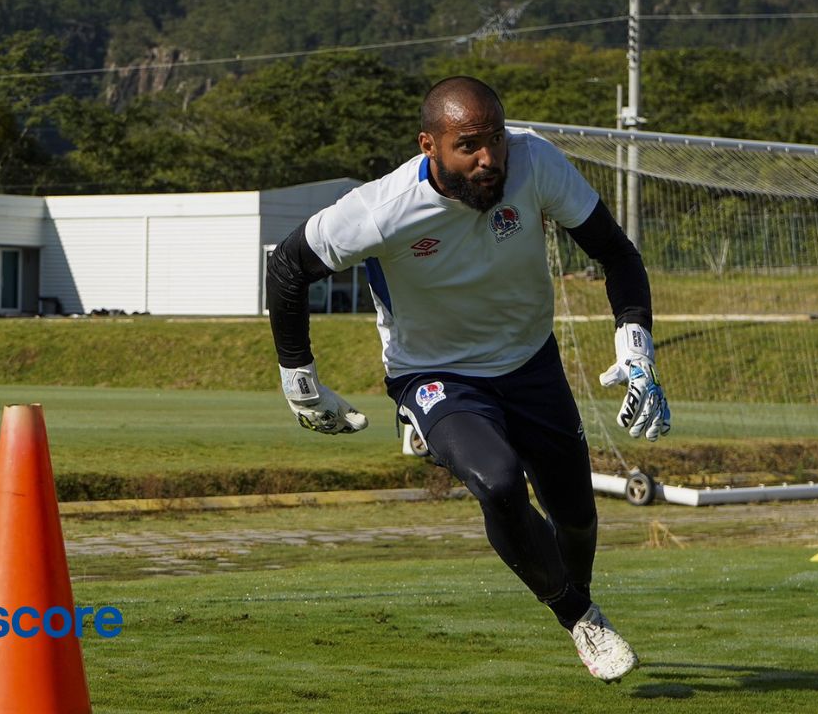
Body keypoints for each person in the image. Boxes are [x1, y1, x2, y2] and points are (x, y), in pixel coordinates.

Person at [265, 75, 669, 683]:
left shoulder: (535, 162)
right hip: (435, 373)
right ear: (429, 144)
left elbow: (616, 253)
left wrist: (636, 346)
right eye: (469, 146)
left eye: (497, 140)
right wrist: (299, 378)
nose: (490, 160)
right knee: (499, 481)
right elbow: (288, 268)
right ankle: (578, 615)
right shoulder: (380, 209)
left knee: (578, 520)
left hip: (531, 361)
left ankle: (573, 598)